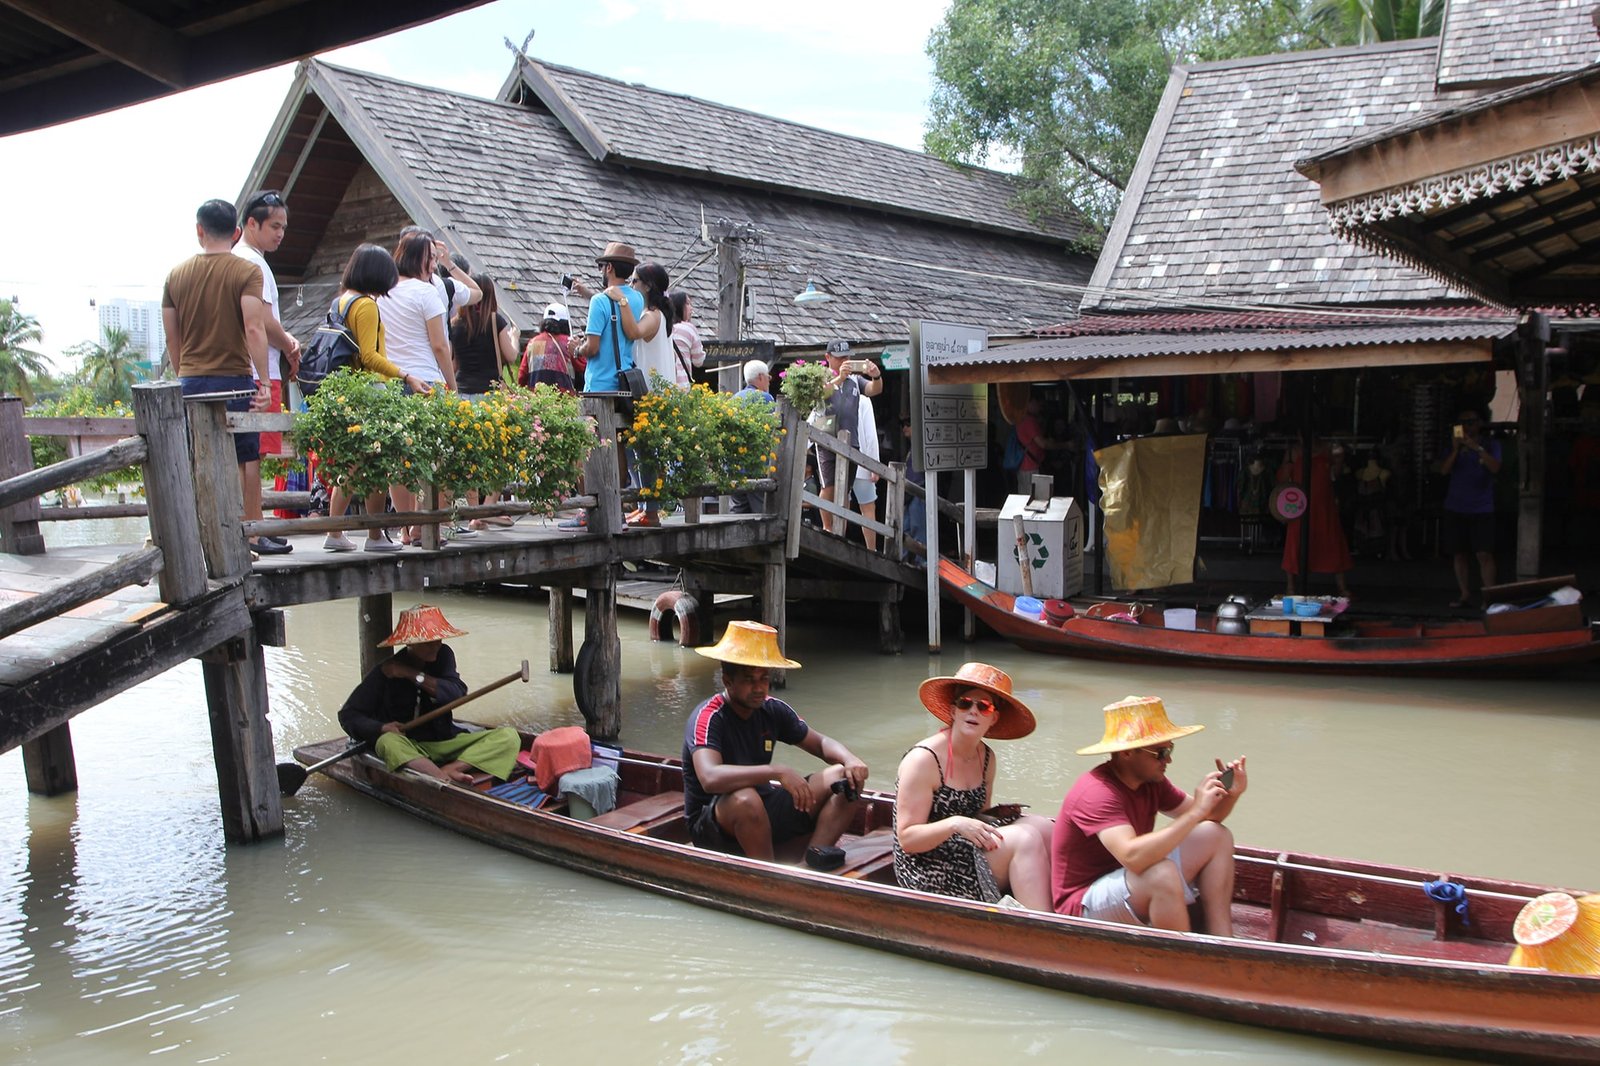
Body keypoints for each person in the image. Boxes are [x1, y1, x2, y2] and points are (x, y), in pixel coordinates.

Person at [1052, 695, 1247, 936]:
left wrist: (1231, 795)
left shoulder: (1152, 781)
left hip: (1128, 883)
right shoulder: (1096, 792)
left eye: (1170, 749)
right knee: (1161, 874)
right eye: (1160, 752)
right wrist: (1197, 811)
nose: (1168, 759)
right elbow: (1132, 856)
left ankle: (1223, 940)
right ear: (1126, 753)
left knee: (1215, 834)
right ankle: (1183, 959)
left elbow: (1210, 819)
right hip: (1082, 905)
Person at [682, 621, 868, 869]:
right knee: (745, 799)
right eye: (749, 680)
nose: (759, 688)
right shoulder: (709, 717)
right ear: (728, 681)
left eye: (764, 679)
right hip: (712, 822)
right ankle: (769, 876)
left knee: (843, 778)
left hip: (762, 805)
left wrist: (850, 759)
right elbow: (710, 777)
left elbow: (821, 743)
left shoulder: (772, 709)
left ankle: (809, 864)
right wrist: (776, 772)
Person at [161, 198, 281, 555]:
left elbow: (172, 336)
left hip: (192, 381)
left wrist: (185, 372)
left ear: (199, 230)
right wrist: (263, 380)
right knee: (246, 458)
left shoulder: (175, 275)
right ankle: (249, 535)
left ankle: (204, 535)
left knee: (199, 456)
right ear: (237, 232)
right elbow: (255, 328)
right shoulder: (246, 271)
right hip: (234, 377)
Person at [892, 663, 1052, 910]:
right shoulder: (924, 760)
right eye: (966, 703)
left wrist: (995, 815)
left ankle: (1058, 902)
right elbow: (908, 839)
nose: (973, 711)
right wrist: (955, 823)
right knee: (1025, 839)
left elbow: (977, 818)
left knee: (1043, 826)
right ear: (954, 711)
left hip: (962, 845)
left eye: (984, 706)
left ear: (993, 717)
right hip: (924, 866)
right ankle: (1044, 926)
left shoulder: (987, 759)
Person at [320, 243, 428, 554]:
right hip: (371, 393)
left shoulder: (340, 301)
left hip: (348, 390)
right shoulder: (366, 305)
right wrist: (405, 375)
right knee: (379, 465)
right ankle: (376, 534)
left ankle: (335, 530)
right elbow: (370, 355)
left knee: (353, 465)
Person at [337, 605, 519, 785]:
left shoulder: (443, 655)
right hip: (409, 746)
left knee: (509, 736)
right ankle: (442, 778)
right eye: (427, 642)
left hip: (445, 740)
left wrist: (411, 674)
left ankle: (452, 768)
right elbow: (348, 716)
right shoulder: (385, 671)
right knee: (387, 742)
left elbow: (455, 694)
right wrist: (382, 728)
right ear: (410, 642)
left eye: (438, 639)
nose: (435, 646)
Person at [379, 231, 455, 545]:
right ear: (421, 260)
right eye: (432, 259)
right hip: (427, 381)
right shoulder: (426, 293)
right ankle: (427, 527)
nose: (435, 265)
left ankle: (407, 527)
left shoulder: (382, 293)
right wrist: (452, 385)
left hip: (393, 381)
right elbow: (440, 345)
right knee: (436, 457)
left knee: (399, 459)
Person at [232, 190, 300, 473]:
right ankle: (251, 516)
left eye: (283, 227)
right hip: (261, 370)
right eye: (274, 226)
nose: (280, 233)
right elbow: (264, 320)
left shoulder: (235, 258)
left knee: (246, 456)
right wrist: (289, 344)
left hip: (242, 368)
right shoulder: (254, 262)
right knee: (253, 458)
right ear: (251, 224)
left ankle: (248, 515)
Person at [610, 262, 676, 527]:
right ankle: (643, 506)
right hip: (646, 391)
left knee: (644, 452)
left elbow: (634, 331)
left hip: (649, 393)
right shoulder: (652, 313)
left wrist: (623, 300)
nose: (632, 285)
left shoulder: (653, 314)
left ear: (647, 286)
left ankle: (650, 510)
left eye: (635, 281)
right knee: (637, 451)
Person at [816, 340, 883, 535]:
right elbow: (820, 393)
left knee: (844, 489)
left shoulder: (855, 380)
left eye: (847, 357)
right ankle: (827, 527)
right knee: (828, 485)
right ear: (828, 358)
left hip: (851, 441)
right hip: (827, 438)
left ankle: (840, 530)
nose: (845, 361)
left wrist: (876, 375)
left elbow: (874, 390)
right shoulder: (822, 376)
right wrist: (839, 377)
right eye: (840, 358)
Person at [1438, 407, 1502, 607]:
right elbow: (1444, 471)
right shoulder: (1453, 446)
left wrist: (1477, 448)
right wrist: (1457, 449)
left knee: (1484, 553)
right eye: (1463, 423)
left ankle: (1489, 596)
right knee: (1459, 552)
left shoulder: (1491, 444)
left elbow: (1496, 468)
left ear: (1480, 424)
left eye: (1471, 422)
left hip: (1482, 506)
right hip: (1456, 505)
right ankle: (1464, 594)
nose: (1467, 427)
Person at [1279, 440, 1353, 598]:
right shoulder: (1293, 451)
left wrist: (1339, 460)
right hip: (1298, 505)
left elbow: (1335, 474)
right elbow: (1283, 479)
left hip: (1324, 505)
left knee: (1332, 540)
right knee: (1294, 542)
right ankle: (1291, 587)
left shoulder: (1327, 449)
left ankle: (1341, 587)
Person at [571, 241, 644, 392]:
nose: (601, 271)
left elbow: (592, 348)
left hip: (600, 384)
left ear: (609, 267)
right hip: (625, 381)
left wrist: (577, 349)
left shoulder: (599, 301)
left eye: (601, 267)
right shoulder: (638, 298)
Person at [451, 273, 518, 398]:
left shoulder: (455, 324)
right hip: (489, 392)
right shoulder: (495, 321)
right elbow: (511, 356)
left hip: (462, 391)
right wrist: (514, 338)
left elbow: (454, 364)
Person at [728, 360, 773, 515]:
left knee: (738, 513)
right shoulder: (765, 398)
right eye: (768, 377)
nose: (769, 381)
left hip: (734, 467)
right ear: (760, 377)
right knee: (761, 514)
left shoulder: (733, 399)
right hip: (757, 466)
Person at [520, 303, 576, 393]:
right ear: (566, 323)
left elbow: (522, 376)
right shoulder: (569, 342)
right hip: (565, 401)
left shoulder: (533, 342)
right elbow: (583, 368)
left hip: (536, 401)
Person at [667, 290, 705, 388]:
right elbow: (698, 361)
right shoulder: (688, 328)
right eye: (687, 304)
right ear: (679, 306)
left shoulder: (661, 327)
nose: (691, 308)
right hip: (681, 386)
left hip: (662, 385)